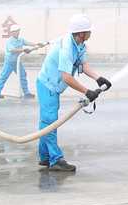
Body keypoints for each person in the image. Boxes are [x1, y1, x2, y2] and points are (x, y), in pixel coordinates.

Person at [35, 13, 111, 172]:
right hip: (47, 86)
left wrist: (98, 78)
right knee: (50, 122)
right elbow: (67, 77)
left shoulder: (80, 45)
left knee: (46, 122)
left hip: (54, 86)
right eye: (88, 31)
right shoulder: (66, 48)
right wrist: (87, 91)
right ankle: (55, 160)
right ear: (81, 33)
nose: (90, 33)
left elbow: (83, 64)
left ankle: (45, 156)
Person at [0, 24, 42, 99]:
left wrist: (36, 44)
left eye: (17, 31)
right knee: (4, 76)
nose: (16, 33)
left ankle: (26, 93)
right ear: (12, 33)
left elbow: (28, 43)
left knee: (23, 75)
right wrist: (23, 50)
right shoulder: (9, 41)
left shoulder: (21, 40)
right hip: (9, 62)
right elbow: (12, 50)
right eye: (15, 31)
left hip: (17, 62)